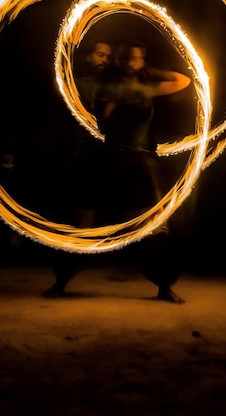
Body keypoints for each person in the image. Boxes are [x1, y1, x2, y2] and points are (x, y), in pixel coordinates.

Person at [95, 39, 192, 303]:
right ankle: (61, 281)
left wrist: (149, 74)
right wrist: (112, 105)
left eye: (135, 59)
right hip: (114, 159)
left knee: (157, 227)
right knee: (84, 221)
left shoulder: (147, 86)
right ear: (119, 59)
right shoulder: (109, 86)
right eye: (125, 58)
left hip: (143, 163)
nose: (129, 63)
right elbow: (102, 125)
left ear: (142, 61)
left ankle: (164, 286)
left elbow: (182, 80)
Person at [41, 38, 113, 298]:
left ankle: (163, 283)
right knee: (78, 222)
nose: (104, 59)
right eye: (100, 54)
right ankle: (61, 281)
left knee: (144, 219)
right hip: (86, 161)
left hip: (111, 160)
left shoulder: (114, 86)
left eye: (108, 56)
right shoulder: (77, 85)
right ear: (87, 57)